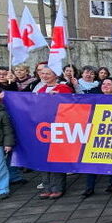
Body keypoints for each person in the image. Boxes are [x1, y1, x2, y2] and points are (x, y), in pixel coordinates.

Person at [32, 66, 73, 198]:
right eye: (42, 73)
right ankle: (47, 187)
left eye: (48, 73)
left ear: (56, 75)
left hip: (59, 127)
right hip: (44, 128)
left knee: (56, 157)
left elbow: (71, 104)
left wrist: (59, 97)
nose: (44, 76)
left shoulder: (64, 88)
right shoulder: (41, 90)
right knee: (44, 158)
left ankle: (57, 187)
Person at [82, 78, 112, 196]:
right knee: (91, 160)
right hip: (95, 133)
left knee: (111, 159)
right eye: (103, 84)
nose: (105, 86)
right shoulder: (94, 98)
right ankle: (89, 187)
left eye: (109, 84)